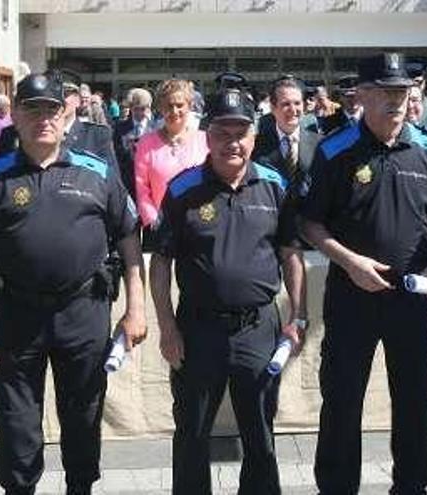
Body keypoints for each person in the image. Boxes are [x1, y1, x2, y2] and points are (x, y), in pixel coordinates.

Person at [0, 72, 146, 495]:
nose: (43, 119)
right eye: (32, 110)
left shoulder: (97, 173)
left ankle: (81, 488)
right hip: (14, 318)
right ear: (15, 118)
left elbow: (130, 242)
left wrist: (136, 308)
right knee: (17, 428)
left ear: (65, 116)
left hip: (83, 314)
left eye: (51, 110)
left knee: (83, 419)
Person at [299, 53, 427, 494]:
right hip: (352, 298)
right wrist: (350, 262)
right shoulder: (334, 151)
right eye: (385, 92)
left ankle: (412, 486)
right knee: (343, 400)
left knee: (413, 400)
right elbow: (310, 223)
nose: (395, 101)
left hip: (411, 299)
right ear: (362, 95)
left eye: (402, 92)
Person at [150, 87, 306, 495]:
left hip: (258, 329)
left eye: (241, 133)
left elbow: (291, 253)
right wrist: (167, 327)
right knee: (192, 432)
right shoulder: (183, 190)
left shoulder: (275, 186)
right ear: (207, 135)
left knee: (259, 432)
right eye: (222, 132)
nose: (232, 142)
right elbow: (161, 262)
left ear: (254, 136)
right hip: (198, 330)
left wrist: (297, 317)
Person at [134, 79, 209, 236]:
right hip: (160, 227)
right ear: (161, 108)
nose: (174, 111)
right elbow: (142, 188)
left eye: (180, 105)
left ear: (189, 106)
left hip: (198, 225)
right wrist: (153, 220)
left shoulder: (205, 140)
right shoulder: (146, 143)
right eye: (169, 105)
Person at [253, 75, 321, 185]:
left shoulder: (320, 144)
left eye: (297, 103)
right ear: (273, 107)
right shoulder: (256, 146)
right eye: (286, 104)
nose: (293, 110)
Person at [113, 87, 153, 197]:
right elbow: (116, 156)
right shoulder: (120, 128)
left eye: (143, 109)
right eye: (136, 109)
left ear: (149, 107)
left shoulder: (156, 129)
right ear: (130, 108)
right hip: (127, 184)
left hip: (151, 184)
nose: (139, 113)